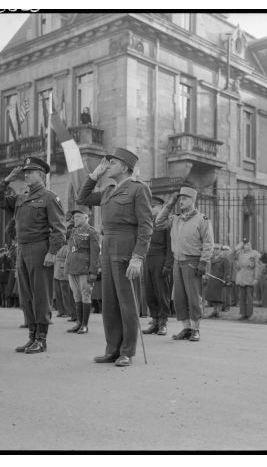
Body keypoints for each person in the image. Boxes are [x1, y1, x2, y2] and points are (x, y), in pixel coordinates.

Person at [77, 147, 153, 367]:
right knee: (109, 303)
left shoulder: (139, 190)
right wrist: (94, 175)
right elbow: (82, 198)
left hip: (126, 248)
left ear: (125, 167)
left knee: (127, 303)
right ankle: (112, 349)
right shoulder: (109, 190)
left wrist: (138, 257)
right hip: (108, 247)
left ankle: (127, 351)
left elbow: (146, 226)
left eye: (112, 163)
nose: (108, 165)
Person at [0, 156, 66, 354]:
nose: (26, 175)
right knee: (26, 296)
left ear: (41, 175)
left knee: (41, 295)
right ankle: (32, 336)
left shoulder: (49, 197)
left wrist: (52, 252)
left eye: (30, 172)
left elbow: (59, 229)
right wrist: (7, 180)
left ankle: (41, 339)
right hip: (22, 249)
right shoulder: (21, 197)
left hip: (39, 249)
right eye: (25, 172)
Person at [155, 186, 214, 341]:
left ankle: (196, 329)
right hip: (177, 261)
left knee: (193, 297)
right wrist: (169, 204)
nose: (181, 201)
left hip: (193, 262)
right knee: (179, 297)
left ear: (193, 200)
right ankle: (186, 328)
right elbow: (158, 222)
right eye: (180, 199)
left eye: (185, 198)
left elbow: (208, 243)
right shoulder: (176, 218)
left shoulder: (202, 220)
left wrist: (203, 262)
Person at [64, 208, 101, 334]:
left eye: (79, 217)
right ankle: (78, 322)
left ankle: (84, 325)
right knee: (76, 295)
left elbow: (95, 254)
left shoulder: (92, 232)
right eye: (74, 217)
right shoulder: (73, 231)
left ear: (86, 218)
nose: (75, 219)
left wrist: (93, 272)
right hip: (72, 267)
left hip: (85, 268)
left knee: (86, 294)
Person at [142, 196, 174, 336]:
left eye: (154, 206)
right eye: (150, 206)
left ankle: (163, 323)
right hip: (147, 259)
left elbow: (170, 246)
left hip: (161, 260)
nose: (151, 209)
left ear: (161, 207)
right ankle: (154, 321)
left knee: (162, 293)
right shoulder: (148, 223)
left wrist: (168, 264)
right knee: (150, 292)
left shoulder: (167, 223)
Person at [234, 238, 260, 320]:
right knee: (241, 297)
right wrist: (237, 248)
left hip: (250, 276)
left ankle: (249, 314)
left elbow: (257, 267)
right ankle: (243, 313)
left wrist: (256, 278)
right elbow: (230, 256)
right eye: (244, 244)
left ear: (250, 245)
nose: (246, 246)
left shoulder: (254, 253)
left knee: (249, 297)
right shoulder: (239, 253)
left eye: (248, 244)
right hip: (241, 276)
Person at [204, 244, 231, 318]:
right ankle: (214, 311)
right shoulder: (211, 258)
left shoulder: (224, 259)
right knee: (213, 297)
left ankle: (218, 312)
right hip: (212, 280)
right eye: (214, 249)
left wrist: (226, 280)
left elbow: (227, 270)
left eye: (217, 249)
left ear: (220, 250)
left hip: (220, 280)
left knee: (220, 297)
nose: (215, 250)